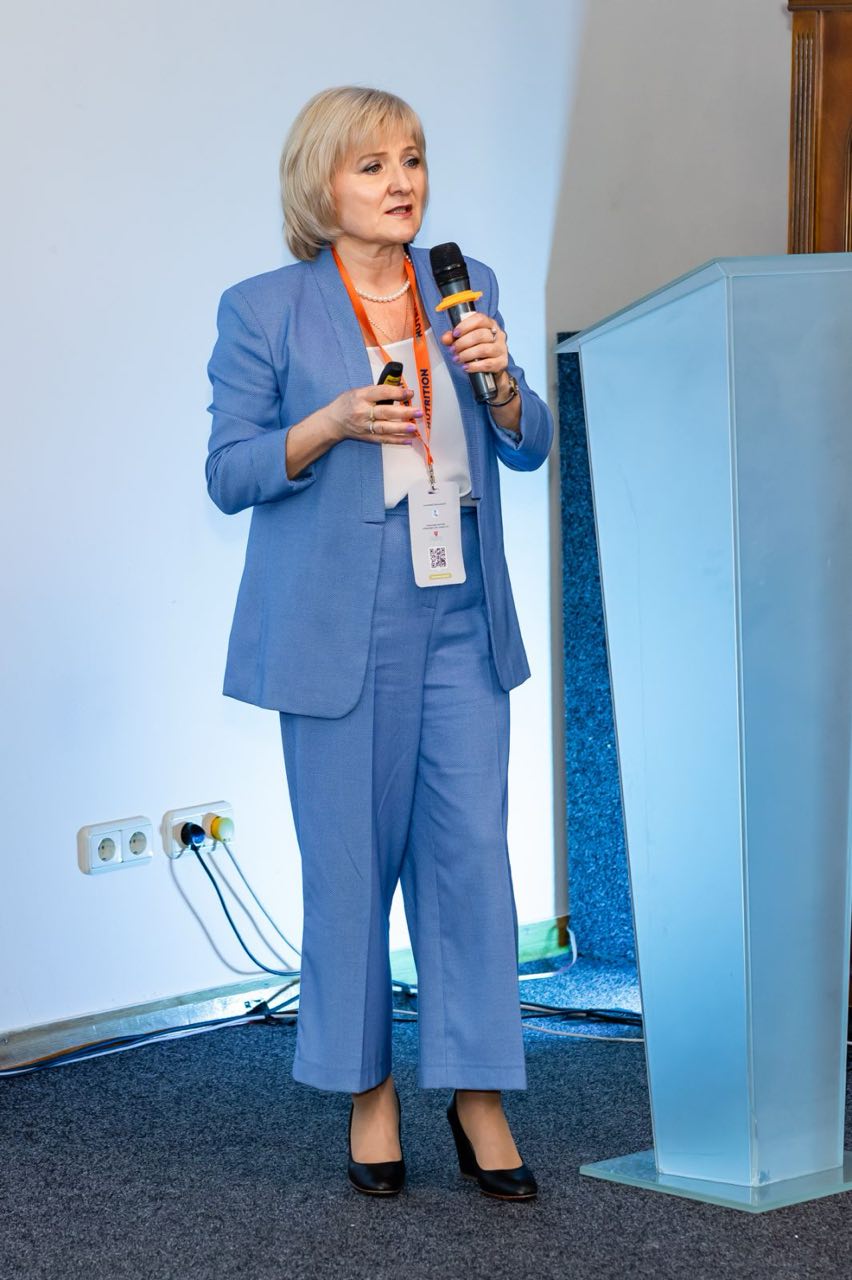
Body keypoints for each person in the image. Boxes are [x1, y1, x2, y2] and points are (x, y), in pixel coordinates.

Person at [205, 86, 553, 1200]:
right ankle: (368, 1090)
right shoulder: (264, 309)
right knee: (352, 864)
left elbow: (529, 442)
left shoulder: (465, 284)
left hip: (460, 609)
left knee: (471, 857)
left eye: (412, 158)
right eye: (373, 165)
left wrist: (500, 382)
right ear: (321, 185)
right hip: (338, 621)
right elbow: (229, 472)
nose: (402, 181)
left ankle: (480, 1091)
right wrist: (331, 423)